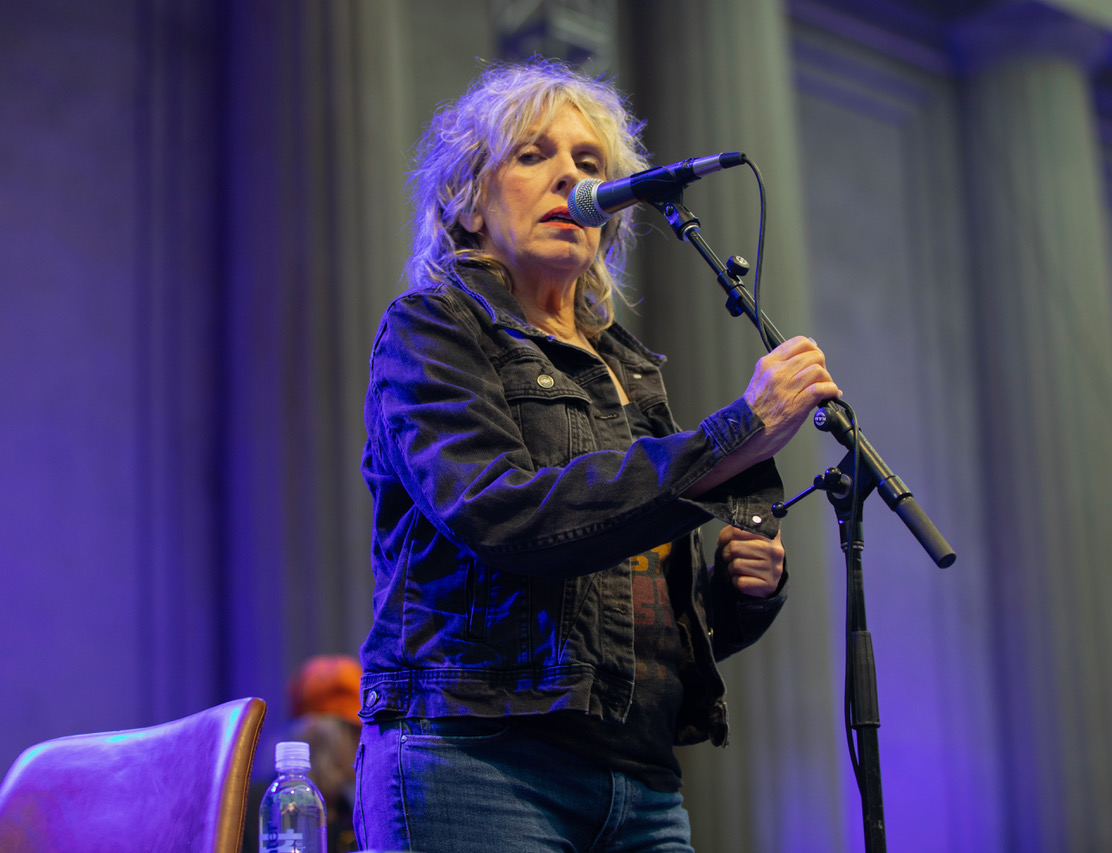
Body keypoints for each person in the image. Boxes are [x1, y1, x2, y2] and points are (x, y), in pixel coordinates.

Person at [355, 58, 838, 853]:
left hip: (641, 782)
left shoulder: (631, 369)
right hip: (482, 758)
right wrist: (728, 440)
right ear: (466, 201)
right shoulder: (433, 330)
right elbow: (502, 514)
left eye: (589, 164)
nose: (570, 178)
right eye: (533, 154)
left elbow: (619, 609)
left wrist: (737, 593)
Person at [245, 655, 364, 853]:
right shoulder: (254, 805)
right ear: (325, 738)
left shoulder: (350, 813)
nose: (365, 742)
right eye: (357, 732)